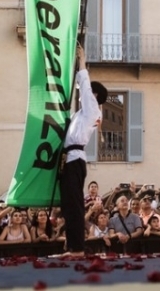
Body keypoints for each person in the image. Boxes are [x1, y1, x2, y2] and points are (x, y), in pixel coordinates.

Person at [59, 44, 107, 257]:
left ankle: (77, 248)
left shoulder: (92, 109)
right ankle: (72, 246)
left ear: (94, 95)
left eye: (86, 93)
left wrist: (81, 61)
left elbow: (85, 85)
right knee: (69, 206)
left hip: (75, 158)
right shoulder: (81, 114)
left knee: (75, 205)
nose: (80, 94)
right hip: (70, 158)